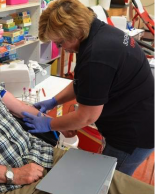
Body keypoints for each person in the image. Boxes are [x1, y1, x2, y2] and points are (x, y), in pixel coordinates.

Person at [0, 26, 153, 194]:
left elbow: (18, 107)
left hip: (43, 155)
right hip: (8, 184)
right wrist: (13, 175)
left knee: (128, 187)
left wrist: (59, 123)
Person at [22, 0, 154, 176]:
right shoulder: (98, 30)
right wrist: (54, 101)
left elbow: (87, 116)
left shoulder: (96, 56)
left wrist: (49, 123)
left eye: (60, 43)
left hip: (133, 135)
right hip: (139, 116)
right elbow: (84, 82)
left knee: (110, 182)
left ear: (74, 33)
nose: (61, 49)